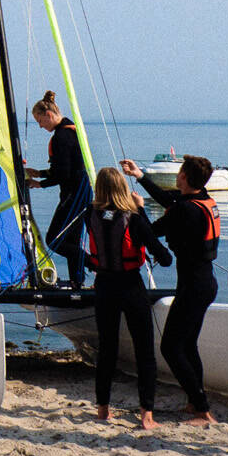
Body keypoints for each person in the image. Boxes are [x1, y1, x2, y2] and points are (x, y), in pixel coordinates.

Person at [122, 154, 219, 423]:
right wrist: (140, 176)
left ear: (184, 177)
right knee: (187, 345)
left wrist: (138, 208)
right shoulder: (204, 199)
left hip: (193, 287)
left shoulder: (185, 210)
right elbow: (173, 203)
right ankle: (194, 402)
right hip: (205, 283)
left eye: (179, 174)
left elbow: (150, 232)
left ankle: (202, 410)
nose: (176, 177)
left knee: (170, 348)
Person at [87, 165, 171, 430]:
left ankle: (102, 410)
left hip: (104, 286)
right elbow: (165, 258)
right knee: (144, 351)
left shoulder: (89, 214)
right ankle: (146, 416)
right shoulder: (134, 219)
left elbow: (66, 244)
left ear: (99, 189)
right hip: (130, 287)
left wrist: (91, 261)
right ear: (123, 188)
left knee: (107, 348)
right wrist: (142, 208)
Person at [26, 92, 89, 289]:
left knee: (54, 240)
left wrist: (39, 184)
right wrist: (39, 173)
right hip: (80, 191)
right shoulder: (69, 131)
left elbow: (63, 173)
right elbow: (62, 169)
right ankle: (77, 282)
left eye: (39, 120)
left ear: (49, 114)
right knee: (72, 240)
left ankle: (98, 266)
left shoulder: (62, 137)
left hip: (75, 194)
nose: (40, 125)